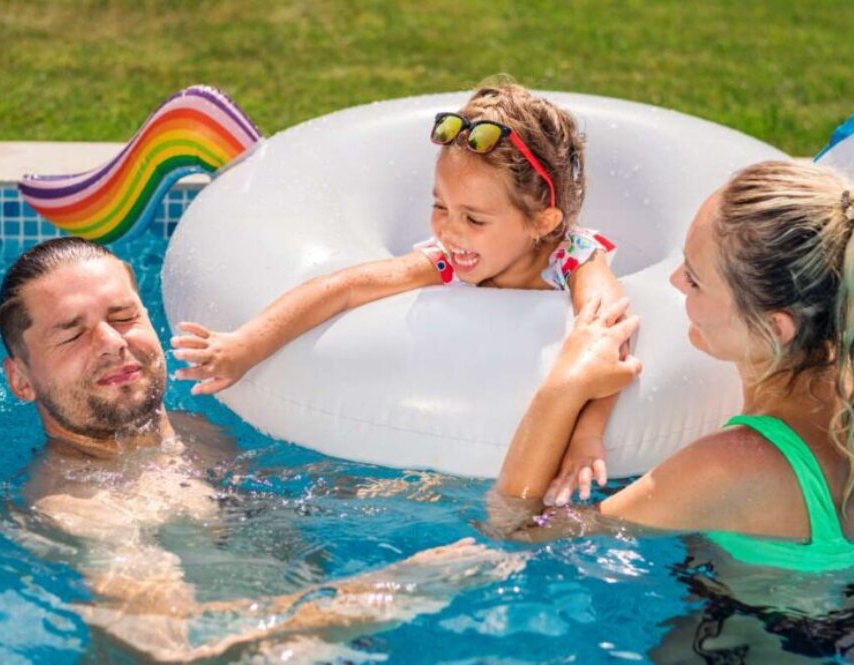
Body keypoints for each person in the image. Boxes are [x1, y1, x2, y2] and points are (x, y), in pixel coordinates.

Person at [0, 237, 523, 662]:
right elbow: (170, 656)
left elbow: (289, 495)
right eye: (72, 334)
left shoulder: (195, 430)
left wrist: (443, 492)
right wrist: (394, 590)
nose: (111, 342)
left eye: (124, 316)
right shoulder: (86, 509)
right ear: (21, 380)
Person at [492, 160, 854, 658]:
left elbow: (516, 530)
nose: (678, 282)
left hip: (760, 637)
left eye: (698, 280)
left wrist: (564, 385)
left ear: (776, 327)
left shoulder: (732, 466)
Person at [171, 81, 627, 480]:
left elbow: (609, 337)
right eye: (440, 205)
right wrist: (246, 345)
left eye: (474, 218)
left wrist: (586, 435)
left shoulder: (575, 259)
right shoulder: (449, 258)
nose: (449, 230)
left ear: (543, 222)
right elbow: (344, 286)